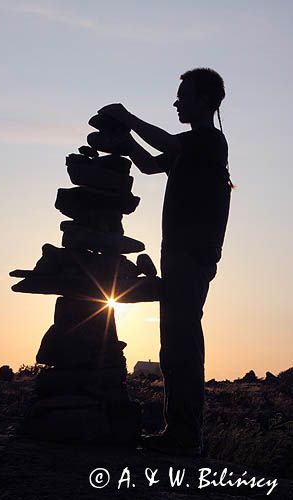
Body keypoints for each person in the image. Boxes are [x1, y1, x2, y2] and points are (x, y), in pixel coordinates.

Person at [98, 67, 233, 457]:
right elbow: (147, 163)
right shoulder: (190, 147)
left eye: (184, 96)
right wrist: (125, 141)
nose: (176, 102)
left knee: (182, 342)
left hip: (191, 254)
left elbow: (166, 145)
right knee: (174, 343)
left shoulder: (209, 141)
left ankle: (185, 436)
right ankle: (180, 432)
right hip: (179, 253)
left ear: (205, 101)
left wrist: (129, 118)